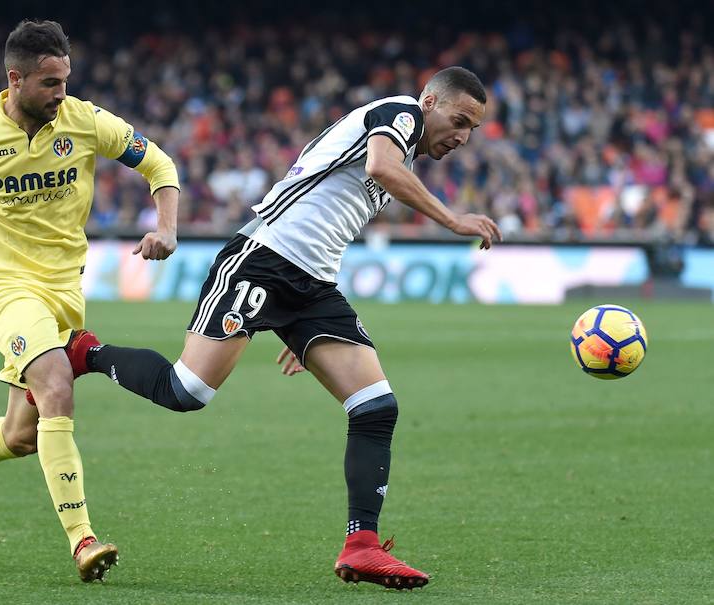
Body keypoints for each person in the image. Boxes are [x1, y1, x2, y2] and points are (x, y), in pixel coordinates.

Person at [36, 66, 502, 589]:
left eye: (473, 130)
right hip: (262, 260)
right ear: (430, 100)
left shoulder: (407, 144)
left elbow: (331, 217)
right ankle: (86, 352)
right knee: (186, 391)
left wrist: (301, 331)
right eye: (459, 120)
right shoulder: (399, 115)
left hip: (313, 286)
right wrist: (454, 220)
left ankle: (363, 546)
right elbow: (380, 168)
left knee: (376, 407)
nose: (462, 136)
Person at [0, 19, 180, 582]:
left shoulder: (86, 121)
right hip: (2, 285)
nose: (61, 92)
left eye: (65, 80)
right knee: (55, 384)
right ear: (14, 79)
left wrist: (166, 225)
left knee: (20, 435)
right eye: (49, 83)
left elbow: (159, 164)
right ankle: (82, 540)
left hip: (64, 292)